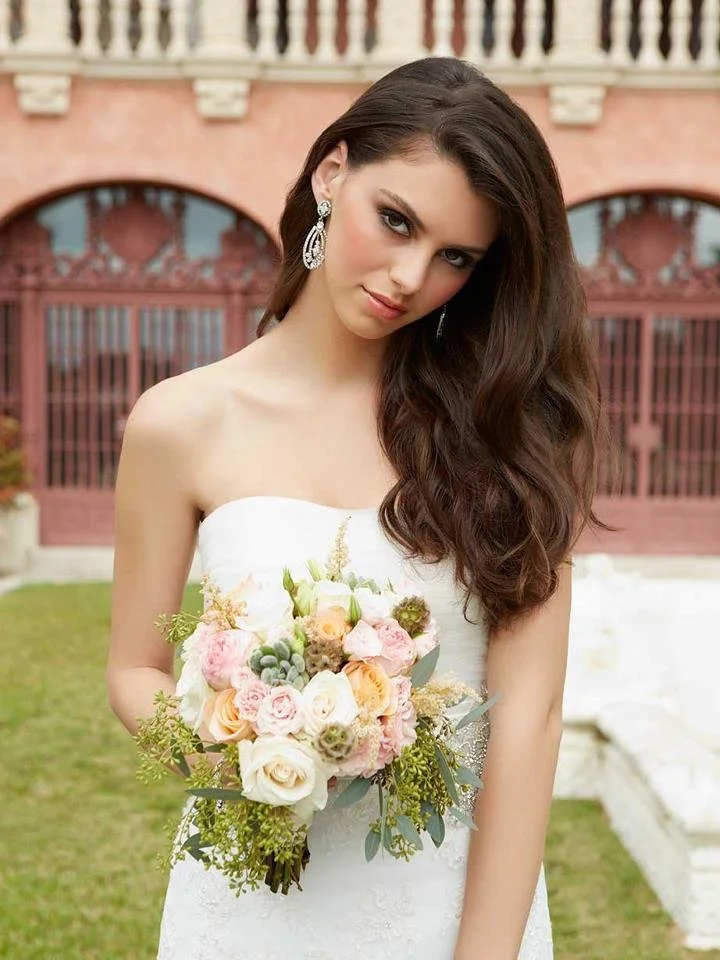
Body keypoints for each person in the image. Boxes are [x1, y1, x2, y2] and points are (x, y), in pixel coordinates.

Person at [107, 57, 606, 960]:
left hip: (448, 904)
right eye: (397, 221)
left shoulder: (512, 432)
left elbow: (528, 715)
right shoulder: (179, 421)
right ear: (332, 173)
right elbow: (133, 672)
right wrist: (250, 755)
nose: (411, 276)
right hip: (251, 900)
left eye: (456, 256)